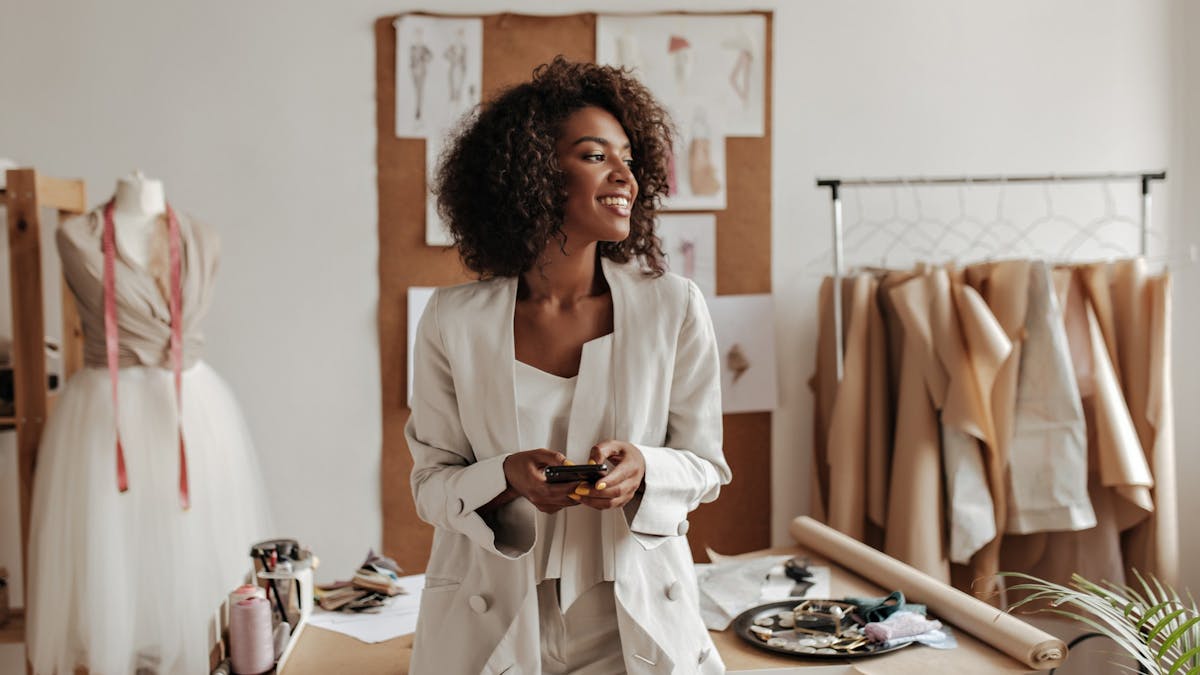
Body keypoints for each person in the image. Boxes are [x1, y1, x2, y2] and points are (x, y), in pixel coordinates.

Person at [406, 57, 731, 674]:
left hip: (631, 623)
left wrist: (644, 469)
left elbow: (705, 466)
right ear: (532, 173)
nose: (625, 177)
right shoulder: (453, 320)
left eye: (630, 159)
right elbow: (430, 484)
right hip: (493, 623)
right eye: (594, 155)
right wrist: (504, 477)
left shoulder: (673, 307)